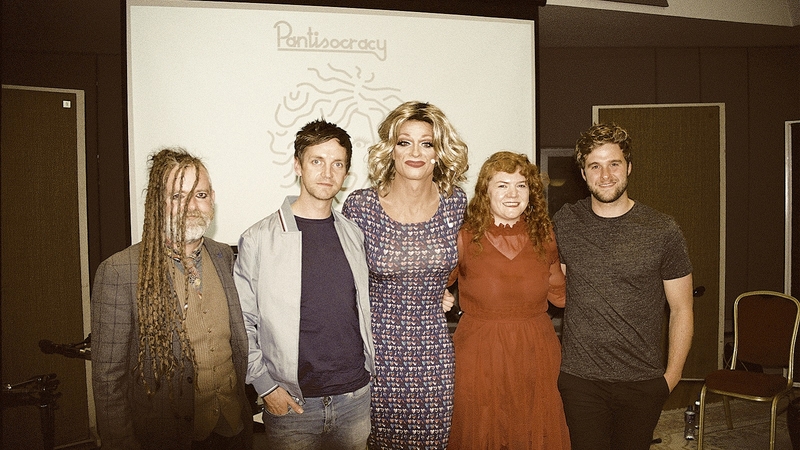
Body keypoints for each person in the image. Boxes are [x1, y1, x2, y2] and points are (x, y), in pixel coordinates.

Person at [91, 148, 252, 450]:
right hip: (167, 437)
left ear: (212, 199)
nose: (191, 206)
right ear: (157, 203)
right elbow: (108, 381)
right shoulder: (119, 271)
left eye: (200, 195)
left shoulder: (223, 256)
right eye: (177, 197)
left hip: (233, 429)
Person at [553, 122, 694, 450]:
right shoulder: (565, 223)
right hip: (580, 382)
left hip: (642, 382)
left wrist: (670, 378)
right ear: (583, 174)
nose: (605, 175)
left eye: (613, 164)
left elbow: (682, 308)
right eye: (595, 166)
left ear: (628, 167)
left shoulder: (662, 230)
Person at [234, 120, 374, 450]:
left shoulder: (354, 235)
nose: (327, 172)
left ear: (346, 172)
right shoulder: (258, 239)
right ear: (298, 165)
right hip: (294, 406)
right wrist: (265, 386)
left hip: (355, 399)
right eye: (317, 161)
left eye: (337, 163)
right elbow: (241, 322)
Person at [342, 101, 469, 449]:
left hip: (434, 354)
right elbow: (343, 282)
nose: (415, 152)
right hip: (377, 352)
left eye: (426, 143)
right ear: (390, 149)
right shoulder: (360, 206)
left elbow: (468, 265)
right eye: (404, 142)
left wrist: (449, 294)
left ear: (439, 152)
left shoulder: (455, 204)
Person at [446, 151, 571, 449]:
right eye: (502, 185)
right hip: (479, 353)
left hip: (535, 353)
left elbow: (561, 297)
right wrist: (438, 293)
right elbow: (432, 283)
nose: (513, 194)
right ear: (486, 192)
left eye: (521, 185)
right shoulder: (463, 237)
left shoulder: (547, 236)